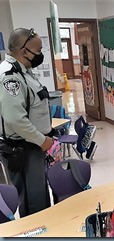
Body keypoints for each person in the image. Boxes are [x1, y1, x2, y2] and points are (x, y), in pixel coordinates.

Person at [0, 28, 54, 217]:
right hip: (25, 148)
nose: (40, 54)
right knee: (33, 202)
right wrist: (41, 140)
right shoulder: (10, 76)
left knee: (39, 196)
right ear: (24, 51)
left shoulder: (25, 71)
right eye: (38, 51)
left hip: (34, 146)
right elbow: (15, 119)